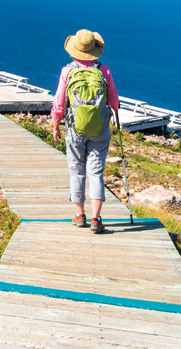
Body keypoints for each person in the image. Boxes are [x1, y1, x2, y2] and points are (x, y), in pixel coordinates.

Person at [50, 29, 119, 234]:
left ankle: (80, 215)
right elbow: (114, 102)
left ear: (74, 50)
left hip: (74, 128)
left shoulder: (67, 71)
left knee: (76, 170)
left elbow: (59, 101)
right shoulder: (104, 70)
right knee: (96, 172)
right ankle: (96, 218)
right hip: (100, 128)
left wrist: (55, 125)